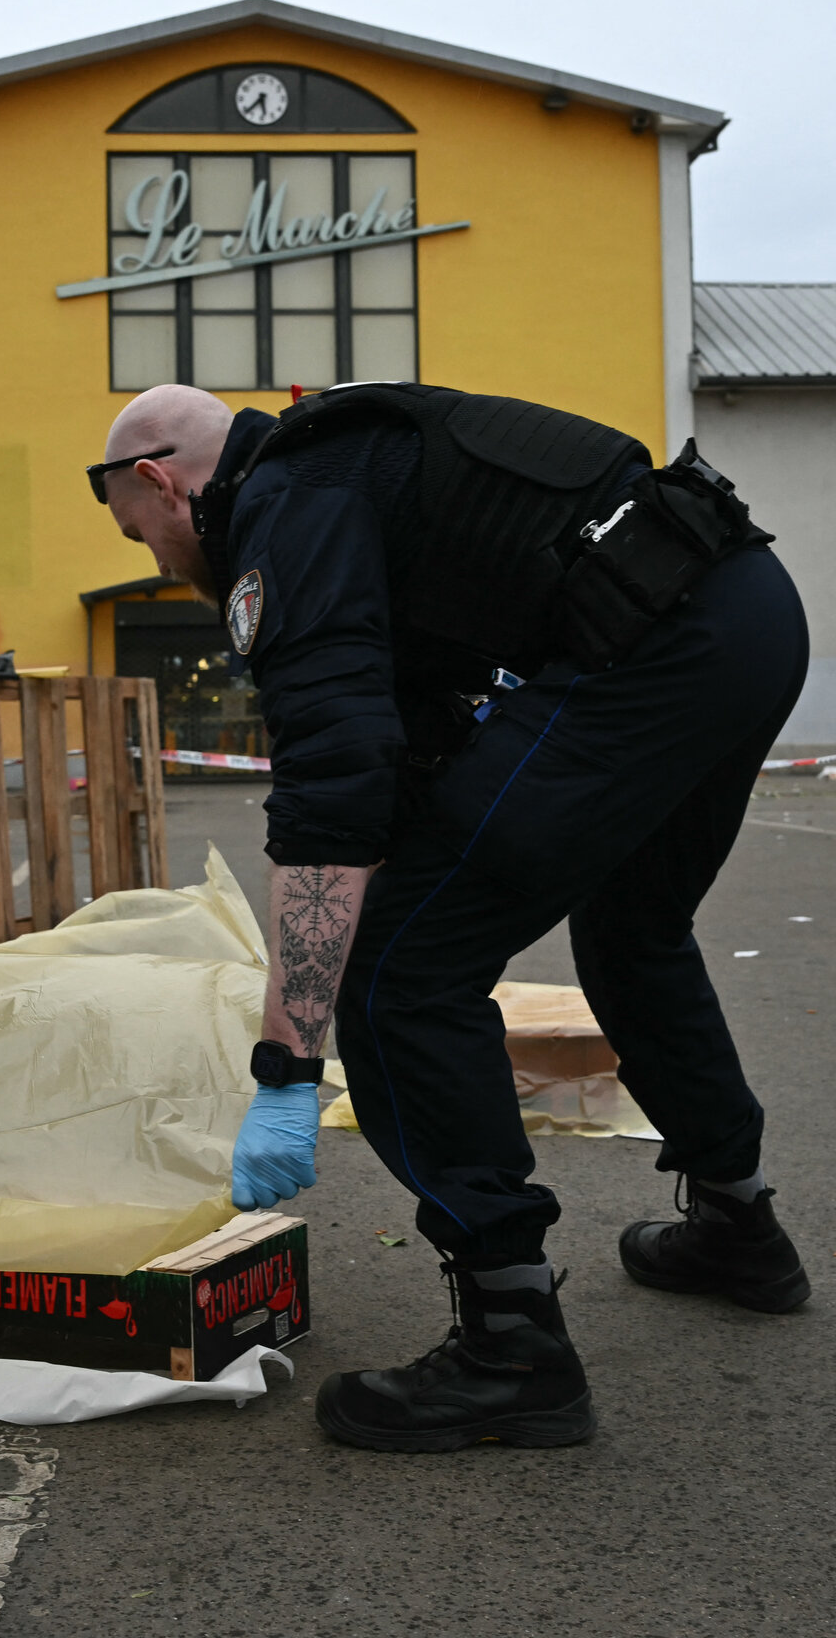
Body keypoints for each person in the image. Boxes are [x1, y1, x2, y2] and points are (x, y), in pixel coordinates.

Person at [93, 380, 810, 1454]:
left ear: (160, 479)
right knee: (632, 928)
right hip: (745, 616)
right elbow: (416, 749)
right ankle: (738, 1225)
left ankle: (512, 1346)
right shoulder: (342, 474)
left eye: (136, 529)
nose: (153, 555)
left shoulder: (287, 505)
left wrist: (289, 1068)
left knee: (397, 976)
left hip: (655, 648)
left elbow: (334, 782)